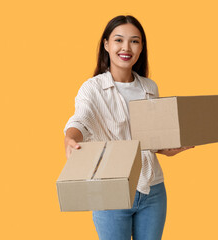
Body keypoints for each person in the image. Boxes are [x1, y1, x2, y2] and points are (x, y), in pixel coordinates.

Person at [63, 15, 194, 240]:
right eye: (119, 40)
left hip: (152, 190)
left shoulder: (149, 87)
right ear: (106, 44)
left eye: (134, 41)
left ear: (142, 47)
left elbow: (153, 141)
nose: (126, 47)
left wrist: (172, 148)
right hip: (110, 191)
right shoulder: (92, 89)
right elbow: (80, 120)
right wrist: (70, 139)